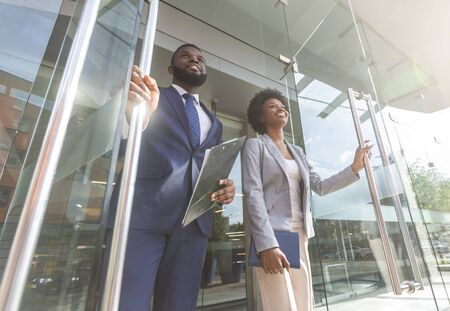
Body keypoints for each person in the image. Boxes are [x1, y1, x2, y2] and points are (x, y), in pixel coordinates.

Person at [106, 43, 235, 311]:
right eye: (185, 56)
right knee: (127, 301)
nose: (194, 60)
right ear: (171, 68)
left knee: (179, 304)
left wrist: (224, 189)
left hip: (194, 224)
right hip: (143, 214)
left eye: (200, 58)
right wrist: (137, 116)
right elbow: (119, 147)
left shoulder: (216, 122)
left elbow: (210, 169)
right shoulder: (150, 95)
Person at [242, 88, 371, 311]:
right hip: (273, 235)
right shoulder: (256, 146)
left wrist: (355, 167)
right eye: (272, 106)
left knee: (304, 304)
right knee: (281, 305)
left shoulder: (298, 151)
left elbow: (319, 186)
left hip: (301, 234)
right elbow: (253, 195)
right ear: (261, 117)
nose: (280, 108)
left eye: (282, 106)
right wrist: (267, 245)